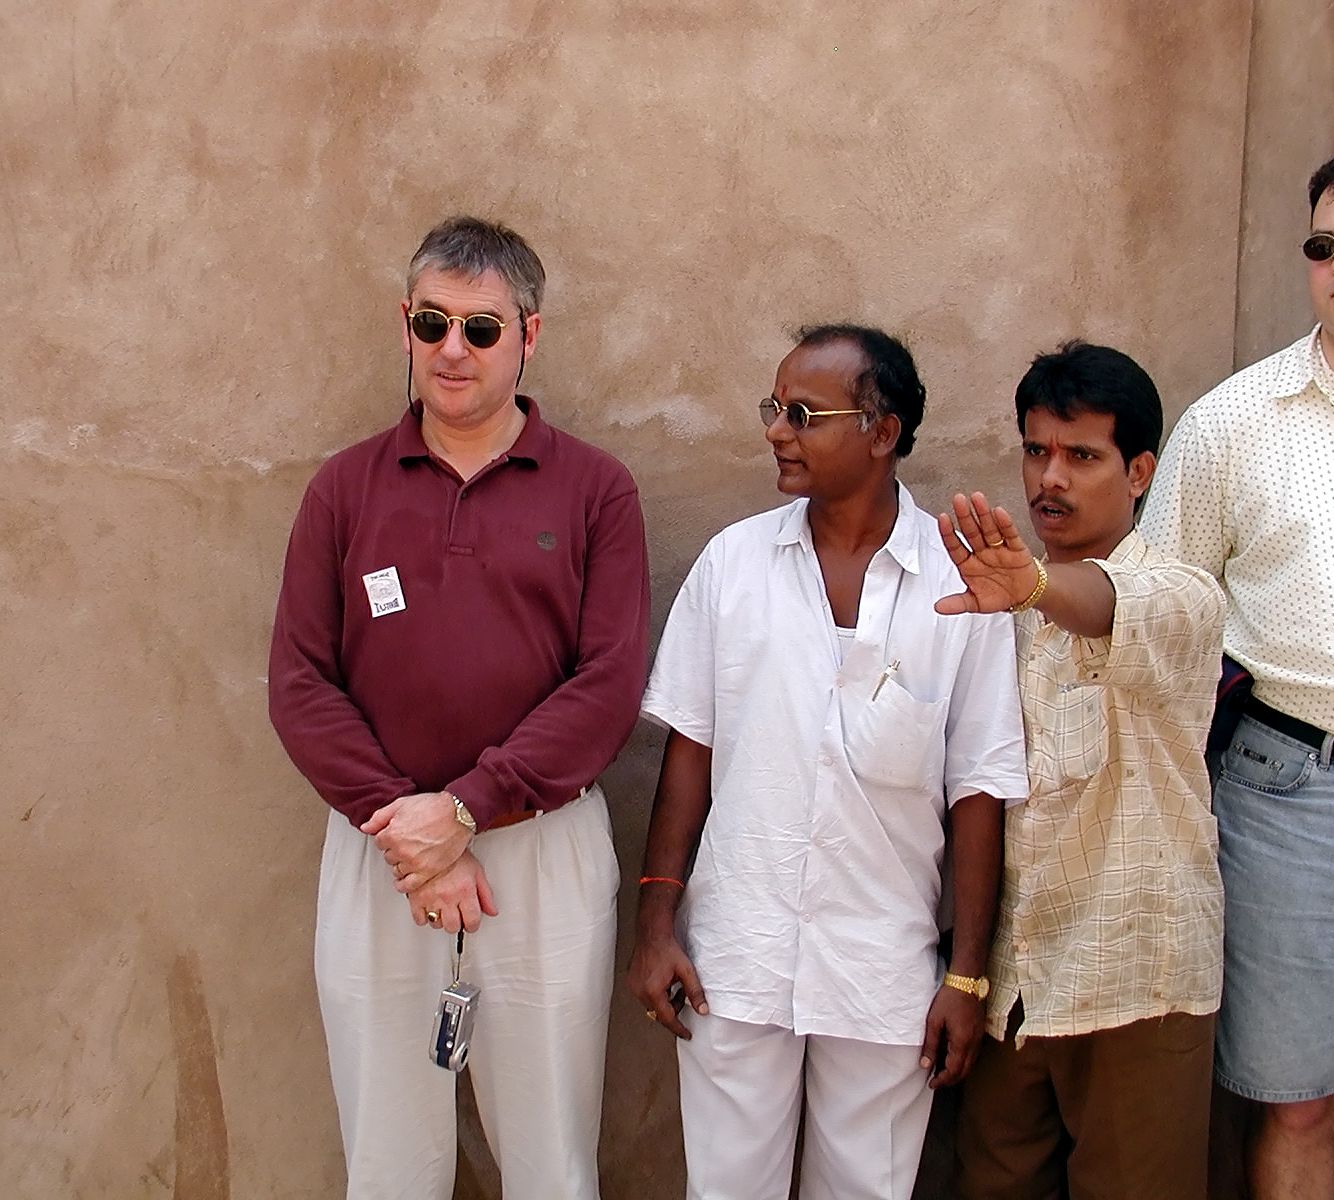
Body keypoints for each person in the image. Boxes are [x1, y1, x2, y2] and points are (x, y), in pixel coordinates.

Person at [268, 215, 649, 1200]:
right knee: (388, 1163)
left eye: (481, 329)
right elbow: (301, 683)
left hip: (541, 854)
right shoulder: (343, 491)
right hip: (379, 850)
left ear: (529, 336)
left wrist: (468, 810)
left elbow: (606, 688)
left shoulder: (596, 492)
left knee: (549, 1158)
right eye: (433, 322)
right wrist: (410, 829)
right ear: (405, 323)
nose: (453, 349)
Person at [628, 324, 1028, 1200]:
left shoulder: (960, 590)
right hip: (735, 956)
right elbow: (688, 757)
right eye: (775, 408)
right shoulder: (735, 564)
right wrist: (657, 925)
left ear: (880, 432)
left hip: (882, 968)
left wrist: (966, 974)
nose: (777, 429)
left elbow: (980, 793)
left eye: (803, 414)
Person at [1140, 143, 1334, 1200]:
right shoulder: (1234, 424)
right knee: (1297, 1102)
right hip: (1298, 795)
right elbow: (1160, 610)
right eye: (1322, 245)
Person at [936, 342, 1225, 1199]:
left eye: (1081, 456)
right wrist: (967, 969)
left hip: (1137, 975)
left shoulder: (1181, 593)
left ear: (1139, 471)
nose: (1049, 478)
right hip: (1013, 989)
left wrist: (1032, 587)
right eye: (1035, 450)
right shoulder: (999, 605)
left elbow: (1106, 607)